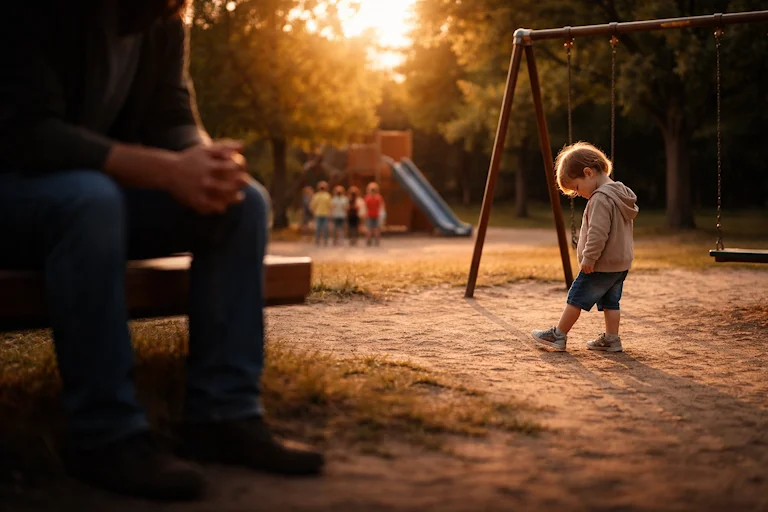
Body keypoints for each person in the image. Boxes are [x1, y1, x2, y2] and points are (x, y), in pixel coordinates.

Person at [0, 0, 323, 501]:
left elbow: (172, 114)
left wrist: (204, 159)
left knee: (242, 202)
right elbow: (27, 135)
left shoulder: (164, 14)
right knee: (90, 199)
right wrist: (167, 171)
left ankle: (224, 415)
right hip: (20, 190)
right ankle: (106, 436)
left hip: (92, 196)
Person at [531, 142, 638, 353]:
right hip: (620, 264)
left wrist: (589, 258)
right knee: (611, 302)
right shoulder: (620, 194)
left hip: (600, 264)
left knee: (576, 298)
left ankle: (558, 335)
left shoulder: (600, 198)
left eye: (577, 188)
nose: (578, 194)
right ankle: (612, 339)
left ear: (588, 172)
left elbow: (598, 234)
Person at [309, 181, 332, 246]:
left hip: (318, 214)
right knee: (325, 228)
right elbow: (330, 206)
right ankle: (324, 240)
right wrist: (330, 213)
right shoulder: (328, 196)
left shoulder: (316, 196)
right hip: (324, 214)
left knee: (318, 228)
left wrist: (313, 212)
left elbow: (312, 206)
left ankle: (318, 240)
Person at [364, 182, 384, 247]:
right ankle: (377, 241)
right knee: (376, 229)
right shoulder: (378, 197)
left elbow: (365, 206)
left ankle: (368, 241)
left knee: (369, 229)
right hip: (376, 215)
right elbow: (381, 206)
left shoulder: (367, 197)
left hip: (369, 214)